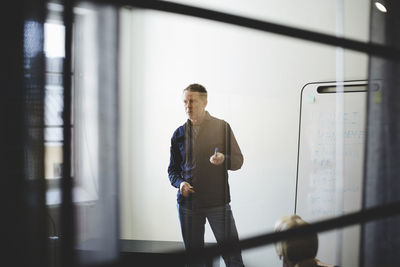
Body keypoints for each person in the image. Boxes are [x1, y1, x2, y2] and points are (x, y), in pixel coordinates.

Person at [168, 83, 245, 267]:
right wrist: (180, 184)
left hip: (217, 203)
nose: (188, 106)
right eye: (185, 102)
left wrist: (224, 159)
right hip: (188, 205)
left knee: (233, 258)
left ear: (205, 102)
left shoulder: (222, 127)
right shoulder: (178, 134)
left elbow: (238, 160)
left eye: (192, 101)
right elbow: (172, 170)